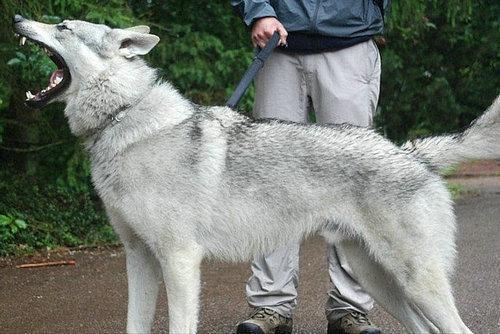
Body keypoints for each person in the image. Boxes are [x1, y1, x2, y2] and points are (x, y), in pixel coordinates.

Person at [230, 1, 390, 334]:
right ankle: (270, 306)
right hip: (279, 45)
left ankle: (351, 309)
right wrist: (258, 9)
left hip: (350, 40)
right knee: (273, 183)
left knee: (352, 184)